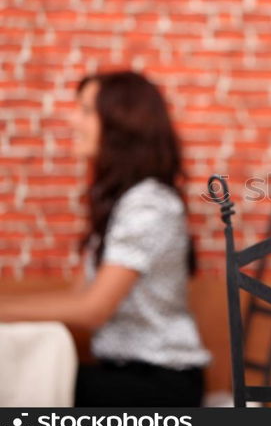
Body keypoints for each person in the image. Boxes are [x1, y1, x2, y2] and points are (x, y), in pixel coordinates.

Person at [0, 71, 210, 406]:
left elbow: (91, 309)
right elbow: (77, 296)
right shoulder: (125, 202)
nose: (72, 120)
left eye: (85, 110)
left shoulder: (150, 205)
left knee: (24, 384)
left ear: (121, 126)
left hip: (160, 383)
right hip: (125, 372)